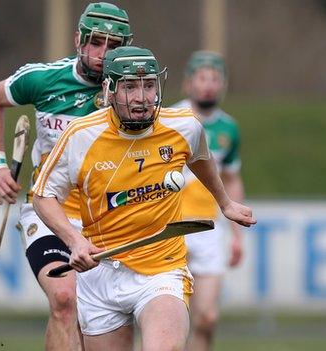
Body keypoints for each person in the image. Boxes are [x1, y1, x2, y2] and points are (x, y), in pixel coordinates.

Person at [32, 46, 256, 351]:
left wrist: (225, 203)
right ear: (108, 89)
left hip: (162, 268)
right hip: (100, 274)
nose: (142, 97)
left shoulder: (184, 126)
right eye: (130, 87)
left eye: (149, 85)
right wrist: (74, 241)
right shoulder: (80, 135)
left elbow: (201, 158)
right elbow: (43, 195)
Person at [0, 3, 132, 350]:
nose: (102, 54)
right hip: (49, 209)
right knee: (65, 298)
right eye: (95, 42)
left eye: (113, 46)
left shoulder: (133, 91)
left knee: (104, 318)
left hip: (107, 216)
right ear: (78, 39)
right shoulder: (43, 79)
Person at [171, 51, 246, 351]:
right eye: (202, 78)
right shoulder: (172, 118)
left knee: (207, 318)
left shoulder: (229, 128)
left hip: (210, 229)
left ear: (223, 85)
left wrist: (237, 235)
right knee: (166, 316)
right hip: (170, 226)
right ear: (188, 83)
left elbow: (232, 179)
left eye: (215, 79)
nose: (208, 85)